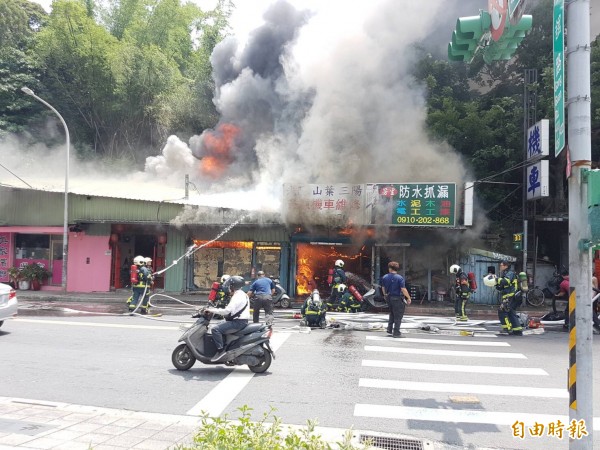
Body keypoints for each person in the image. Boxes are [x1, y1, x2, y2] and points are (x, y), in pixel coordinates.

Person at [206, 275, 250, 362]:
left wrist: (212, 310)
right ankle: (226, 346)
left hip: (238, 322)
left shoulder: (237, 296)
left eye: (230, 285)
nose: (228, 287)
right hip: (240, 321)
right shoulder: (242, 294)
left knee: (215, 330)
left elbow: (227, 311)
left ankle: (220, 351)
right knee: (219, 325)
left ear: (233, 286)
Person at [380, 261, 411, 338]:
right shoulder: (399, 278)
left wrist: (384, 295)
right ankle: (396, 332)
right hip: (397, 298)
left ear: (390, 268)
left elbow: (383, 287)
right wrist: (408, 298)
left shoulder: (385, 277)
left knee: (392, 313)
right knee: (398, 315)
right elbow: (403, 289)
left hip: (389, 298)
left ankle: (389, 329)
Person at [496, 260, 522, 336]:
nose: (500, 267)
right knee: (511, 313)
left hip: (510, 296)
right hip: (510, 296)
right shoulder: (505, 274)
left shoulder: (510, 273)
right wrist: (497, 285)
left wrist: (497, 280)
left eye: (501, 265)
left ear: (506, 266)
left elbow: (506, 281)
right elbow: (503, 286)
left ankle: (507, 328)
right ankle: (517, 330)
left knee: (502, 311)